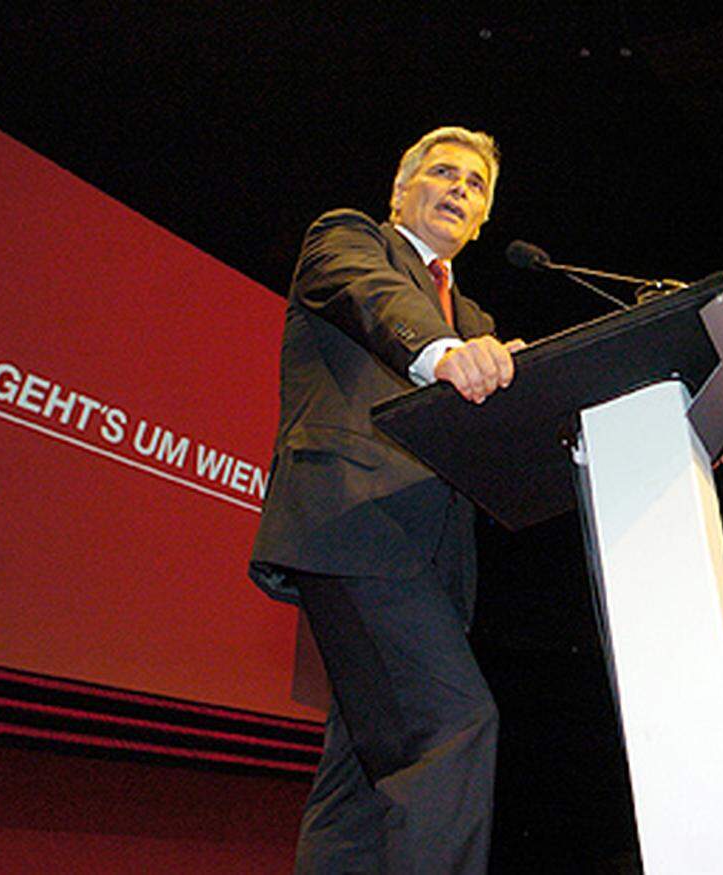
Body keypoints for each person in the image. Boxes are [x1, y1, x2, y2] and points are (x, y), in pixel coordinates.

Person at [250, 126, 523, 873]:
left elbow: (499, 437)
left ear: (483, 220)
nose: (461, 188)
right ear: (402, 189)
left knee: (360, 781)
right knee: (452, 726)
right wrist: (444, 357)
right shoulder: (349, 240)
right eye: (443, 172)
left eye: (476, 185)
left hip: (431, 567)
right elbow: (366, 297)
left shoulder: (479, 323)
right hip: (353, 524)